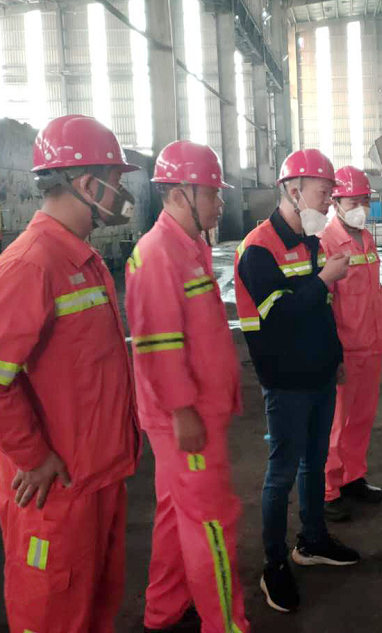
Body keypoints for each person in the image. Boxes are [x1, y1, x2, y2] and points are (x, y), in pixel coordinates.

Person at [0, 115, 141, 633]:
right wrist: (32, 455)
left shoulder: (82, 259)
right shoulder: (33, 263)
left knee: (95, 612)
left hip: (96, 479)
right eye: (115, 182)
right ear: (88, 185)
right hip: (58, 493)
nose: (121, 196)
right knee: (54, 618)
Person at [125, 141, 249, 633]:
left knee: (175, 513)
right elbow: (157, 344)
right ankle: (226, 625)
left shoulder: (189, 247)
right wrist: (181, 411)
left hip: (198, 411)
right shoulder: (157, 253)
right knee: (212, 524)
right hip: (187, 418)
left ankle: (164, 611)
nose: (220, 203)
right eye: (212, 193)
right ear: (180, 194)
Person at [233, 149, 361, 614]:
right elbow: (280, 315)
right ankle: (274, 564)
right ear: (292, 190)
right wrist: (325, 279)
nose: (328, 202)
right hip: (285, 381)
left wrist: (335, 356)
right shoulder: (257, 248)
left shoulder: (309, 241)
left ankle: (312, 540)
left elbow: (321, 312)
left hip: (319, 373)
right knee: (281, 473)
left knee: (314, 463)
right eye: (323, 193)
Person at [318, 165, 382, 523]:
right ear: (335, 203)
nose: (360, 207)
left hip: (371, 345)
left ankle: (352, 477)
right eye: (353, 201)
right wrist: (331, 355)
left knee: (362, 419)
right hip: (345, 351)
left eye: (364, 200)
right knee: (336, 425)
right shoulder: (326, 242)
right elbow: (322, 304)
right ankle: (328, 490)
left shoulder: (366, 238)